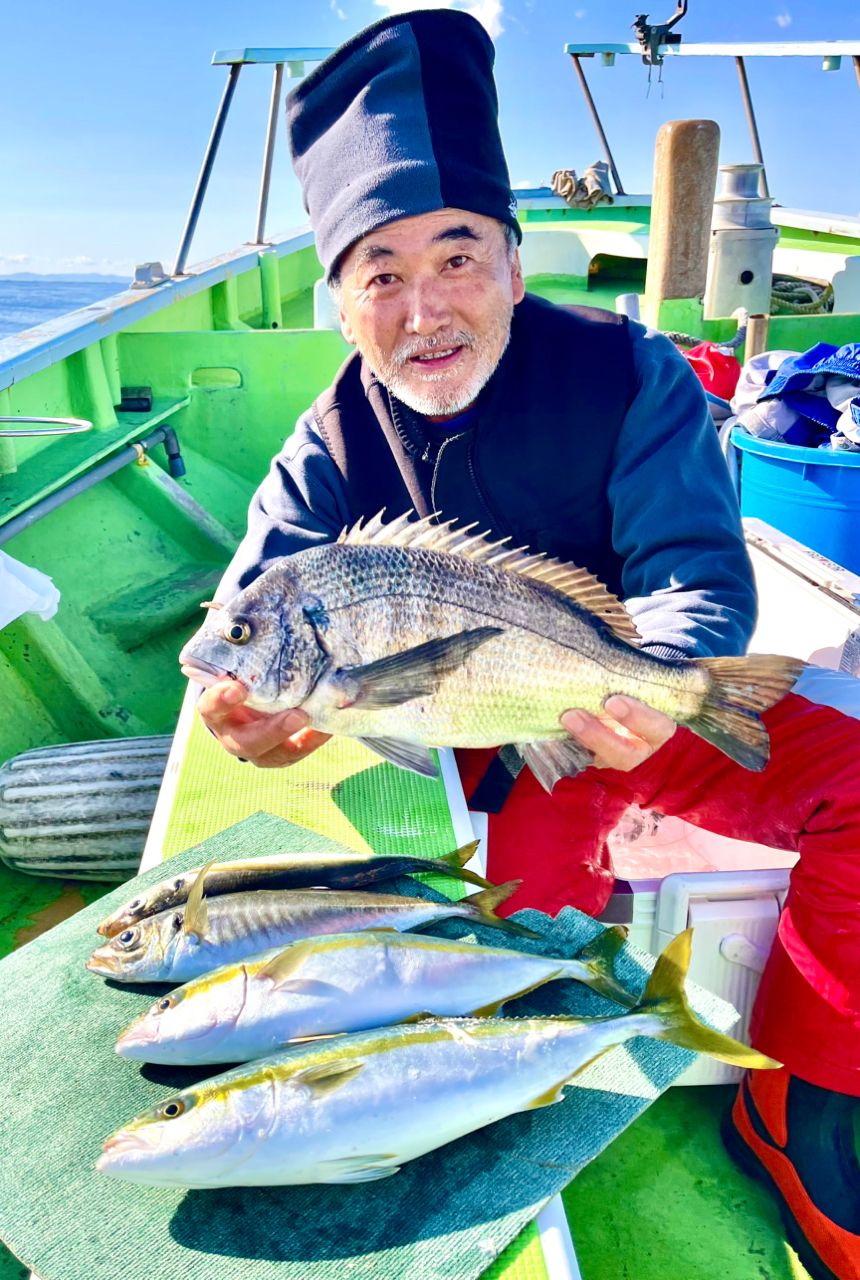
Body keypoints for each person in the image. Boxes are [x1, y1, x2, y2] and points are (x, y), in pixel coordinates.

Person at [190, 12, 859, 1278]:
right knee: (510, 957)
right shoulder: (321, 452)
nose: (424, 305)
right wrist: (250, 719)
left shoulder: (628, 368)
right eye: (379, 271)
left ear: (510, 255)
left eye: (456, 255)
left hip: (619, 703)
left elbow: (691, 574)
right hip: (484, 752)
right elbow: (238, 632)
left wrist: (662, 683)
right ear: (339, 300)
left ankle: (796, 1089)